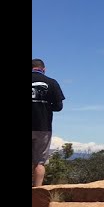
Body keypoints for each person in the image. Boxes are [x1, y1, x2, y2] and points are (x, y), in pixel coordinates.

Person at [32, 58, 65, 186]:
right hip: (43, 127)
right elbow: (59, 106)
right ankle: (36, 193)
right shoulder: (51, 82)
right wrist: (45, 107)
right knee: (39, 162)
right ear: (43, 69)